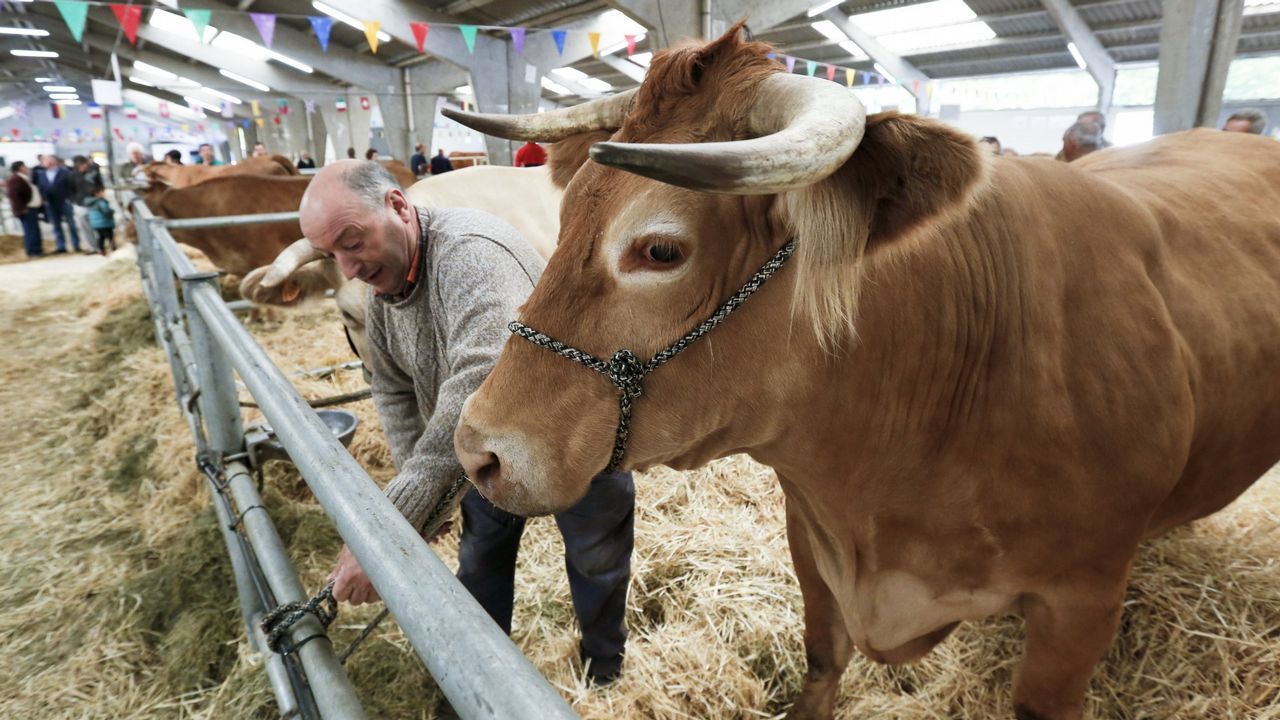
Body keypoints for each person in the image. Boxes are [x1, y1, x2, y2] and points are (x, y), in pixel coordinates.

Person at [303, 160, 634, 686]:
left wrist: (391, 528)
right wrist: (424, 505)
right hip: (482, 451)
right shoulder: (384, 291)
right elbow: (390, 387)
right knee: (480, 562)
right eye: (332, 254)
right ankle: (483, 680)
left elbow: (476, 382)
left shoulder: (471, 254)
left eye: (352, 241)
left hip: (570, 435)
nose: (347, 269)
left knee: (595, 556)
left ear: (396, 206)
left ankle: (605, 671)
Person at [36, 155, 81, 254]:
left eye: (45, 160)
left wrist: (70, 198)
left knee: (71, 224)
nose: (43, 163)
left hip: (64, 201)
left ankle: (76, 245)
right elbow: (41, 188)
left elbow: (71, 186)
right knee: (56, 225)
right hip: (50, 203)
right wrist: (43, 199)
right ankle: (61, 246)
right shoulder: (42, 174)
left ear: (52, 161)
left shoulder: (64, 172)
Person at [6, 161, 44, 258]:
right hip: (26, 210)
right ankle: (33, 252)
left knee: (34, 230)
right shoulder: (15, 179)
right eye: (25, 166)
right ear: (20, 168)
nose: (27, 168)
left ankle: (37, 250)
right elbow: (14, 196)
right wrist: (22, 208)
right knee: (30, 231)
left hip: (31, 208)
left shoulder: (23, 178)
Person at [70, 155, 104, 252]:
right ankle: (92, 246)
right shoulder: (73, 175)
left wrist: (100, 194)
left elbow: (100, 185)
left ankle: (100, 246)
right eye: (80, 165)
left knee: (98, 225)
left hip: (94, 201)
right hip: (80, 203)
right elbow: (71, 190)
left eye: (84, 164)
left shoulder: (93, 173)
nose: (83, 167)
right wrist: (74, 201)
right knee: (85, 227)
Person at [86, 188, 117, 254]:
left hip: (96, 224)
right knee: (109, 236)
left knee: (101, 237)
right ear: (96, 194)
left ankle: (101, 250)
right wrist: (112, 211)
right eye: (102, 192)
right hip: (104, 223)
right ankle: (113, 249)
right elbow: (106, 211)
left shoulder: (91, 203)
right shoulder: (101, 202)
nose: (103, 194)